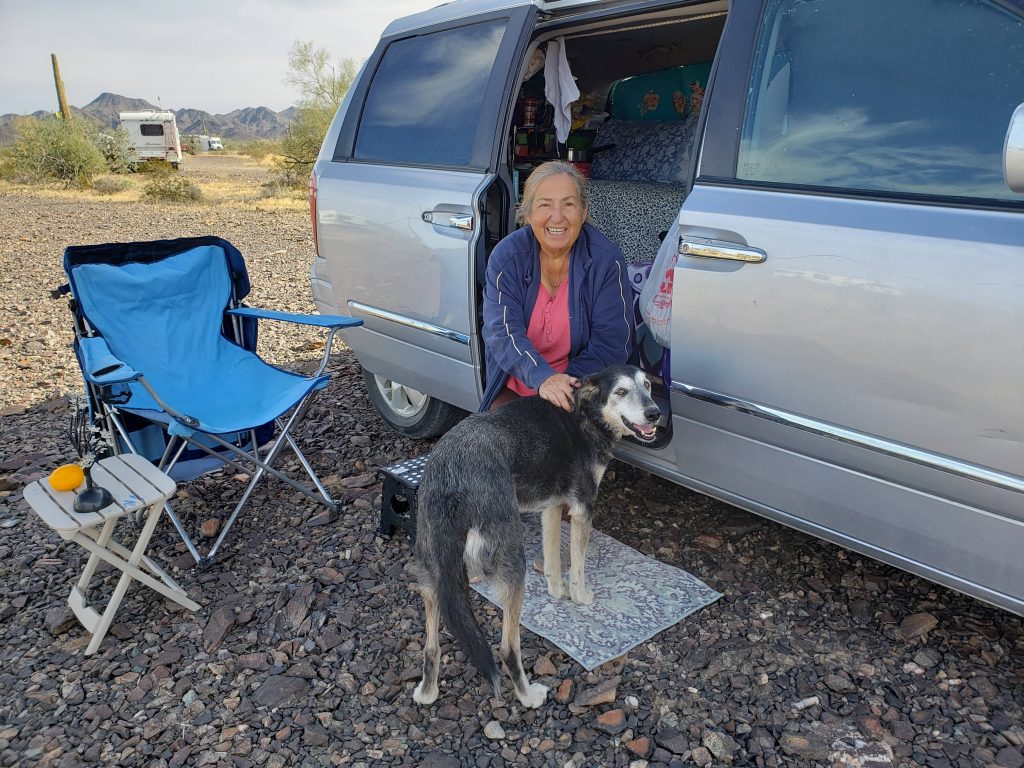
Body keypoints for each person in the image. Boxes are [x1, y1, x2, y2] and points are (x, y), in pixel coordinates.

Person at [481, 160, 634, 412]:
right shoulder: (507, 257)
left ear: (583, 212)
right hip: (518, 382)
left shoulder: (605, 260)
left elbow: (613, 342)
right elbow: (502, 332)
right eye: (544, 205)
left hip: (579, 386)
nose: (557, 217)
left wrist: (566, 387)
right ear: (527, 213)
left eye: (569, 204)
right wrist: (543, 378)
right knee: (499, 442)